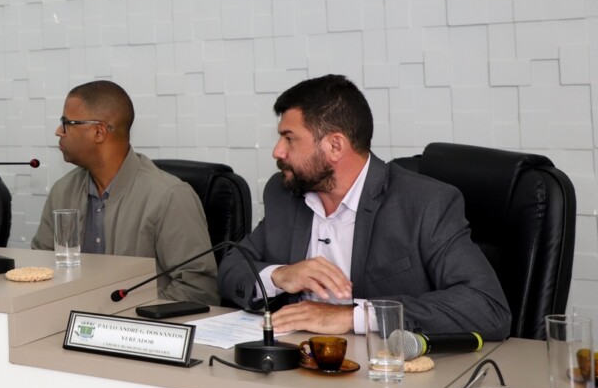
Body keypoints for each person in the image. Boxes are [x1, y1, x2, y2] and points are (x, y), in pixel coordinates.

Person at [217, 74, 511, 340]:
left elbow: (487, 307)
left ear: (335, 146)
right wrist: (280, 276)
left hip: (387, 368)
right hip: (297, 361)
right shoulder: (284, 194)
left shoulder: (424, 203)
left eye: (289, 138)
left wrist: (353, 317)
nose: (277, 151)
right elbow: (231, 270)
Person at [30, 81, 218, 304]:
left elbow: (199, 290)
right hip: (70, 319)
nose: (58, 131)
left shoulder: (169, 196)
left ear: (99, 132)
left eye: (66, 123)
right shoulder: (63, 191)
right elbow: (40, 271)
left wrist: (124, 315)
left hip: (142, 323)